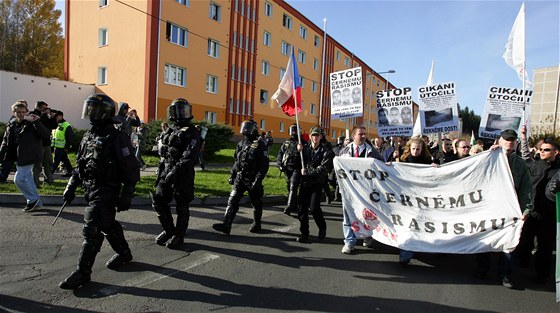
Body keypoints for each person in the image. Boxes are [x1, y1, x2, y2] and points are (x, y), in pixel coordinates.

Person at [59, 94, 140, 289]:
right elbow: (80, 164)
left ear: (104, 112)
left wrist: (127, 194)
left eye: (94, 109)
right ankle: (124, 252)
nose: (90, 113)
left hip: (107, 189)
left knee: (92, 228)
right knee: (107, 224)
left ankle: (83, 272)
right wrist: (71, 186)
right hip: (91, 188)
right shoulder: (88, 136)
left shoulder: (117, 137)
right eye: (89, 108)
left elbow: (131, 168)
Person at [474, 129, 532, 289]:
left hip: (510, 211)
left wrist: (526, 209)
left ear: (516, 143)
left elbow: (526, 189)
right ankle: (482, 268)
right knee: (485, 239)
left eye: (512, 140)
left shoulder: (520, 165)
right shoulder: (488, 158)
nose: (509, 142)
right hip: (488, 207)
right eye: (506, 139)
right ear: (499, 141)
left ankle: (504, 274)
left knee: (508, 243)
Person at [152, 98, 203, 249]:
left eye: (183, 110)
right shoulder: (170, 129)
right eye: (177, 110)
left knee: (182, 205)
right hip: (165, 171)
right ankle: (169, 230)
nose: (180, 113)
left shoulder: (193, 132)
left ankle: (179, 235)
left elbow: (190, 156)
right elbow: (163, 151)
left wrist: (175, 171)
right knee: (159, 201)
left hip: (182, 174)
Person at [213, 120, 269, 235]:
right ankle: (226, 225)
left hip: (253, 178)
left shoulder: (260, 144)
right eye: (244, 127)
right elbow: (236, 162)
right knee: (232, 200)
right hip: (240, 177)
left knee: (256, 202)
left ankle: (257, 223)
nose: (245, 130)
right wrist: (232, 175)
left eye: (248, 127)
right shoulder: (241, 144)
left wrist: (258, 180)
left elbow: (264, 165)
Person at [515, 137, 559, 284]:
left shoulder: (558, 170)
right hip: (531, 212)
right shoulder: (532, 166)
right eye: (541, 149)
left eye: (546, 150)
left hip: (549, 214)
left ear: (556, 152)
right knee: (524, 242)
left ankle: (542, 275)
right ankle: (522, 263)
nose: (541, 152)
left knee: (545, 247)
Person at [338, 125, 383, 254]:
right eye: (360, 134)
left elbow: (380, 167)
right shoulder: (344, 151)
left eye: (364, 134)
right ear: (353, 136)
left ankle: (368, 236)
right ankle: (349, 242)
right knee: (348, 217)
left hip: (366, 191)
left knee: (367, 216)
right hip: (349, 191)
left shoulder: (372, 151)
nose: (363, 136)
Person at [0, 102, 50, 212]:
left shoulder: (32, 123)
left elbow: (45, 135)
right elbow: (5, 142)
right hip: (17, 156)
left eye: (23, 112)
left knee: (18, 179)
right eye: (18, 112)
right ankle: (37, 202)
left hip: (29, 155)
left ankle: (32, 200)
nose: (21, 114)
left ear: (27, 112)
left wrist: (37, 121)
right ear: (14, 113)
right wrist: (2, 155)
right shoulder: (11, 124)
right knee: (28, 179)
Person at [395, 138, 434, 266]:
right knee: (407, 225)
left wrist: (435, 168)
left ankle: (407, 252)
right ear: (409, 148)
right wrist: (391, 164)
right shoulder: (403, 159)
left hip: (421, 199)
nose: (415, 151)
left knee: (415, 226)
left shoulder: (428, 161)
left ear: (422, 150)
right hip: (406, 199)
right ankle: (405, 253)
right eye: (413, 149)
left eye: (418, 149)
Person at [296, 127, 333, 243]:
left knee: (314, 208)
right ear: (310, 136)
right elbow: (297, 163)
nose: (315, 137)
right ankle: (304, 233)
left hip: (317, 183)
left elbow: (323, 169)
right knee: (302, 209)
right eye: (313, 135)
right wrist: (297, 152)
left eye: (317, 135)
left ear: (320, 137)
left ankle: (322, 227)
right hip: (305, 182)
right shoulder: (305, 149)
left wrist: (307, 171)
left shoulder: (326, 151)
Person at [277, 124, 304, 215]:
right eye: (292, 130)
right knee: (289, 186)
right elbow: (280, 154)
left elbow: (308, 155)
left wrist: (302, 149)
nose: (294, 132)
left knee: (293, 186)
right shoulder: (286, 142)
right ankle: (295, 205)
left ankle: (289, 206)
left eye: (296, 130)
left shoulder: (303, 142)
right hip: (287, 168)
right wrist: (280, 164)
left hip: (297, 168)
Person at [31, 101, 58, 186]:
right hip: (37, 142)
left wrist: (53, 118)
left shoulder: (46, 116)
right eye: (44, 108)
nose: (47, 110)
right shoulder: (33, 114)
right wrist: (43, 114)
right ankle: (35, 182)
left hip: (46, 143)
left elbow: (54, 126)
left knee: (48, 162)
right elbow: (38, 124)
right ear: (38, 107)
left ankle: (49, 180)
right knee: (37, 164)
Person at [51, 110, 74, 177]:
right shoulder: (57, 125)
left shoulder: (66, 125)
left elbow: (70, 137)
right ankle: (70, 172)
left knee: (56, 161)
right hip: (58, 147)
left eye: (56, 116)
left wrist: (67, 147)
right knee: (65, 160)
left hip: (61, 148)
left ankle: (49, 175)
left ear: (61, 116)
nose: (55, 118)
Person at [332, 136, 345, 201]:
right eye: (338, 139)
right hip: (334, 167)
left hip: (341, 168)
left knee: (338, 182)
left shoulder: (345, 149)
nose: (339, 141)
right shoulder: (335, 148)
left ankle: (337, 196)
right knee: (331, 180)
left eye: (340, 140)